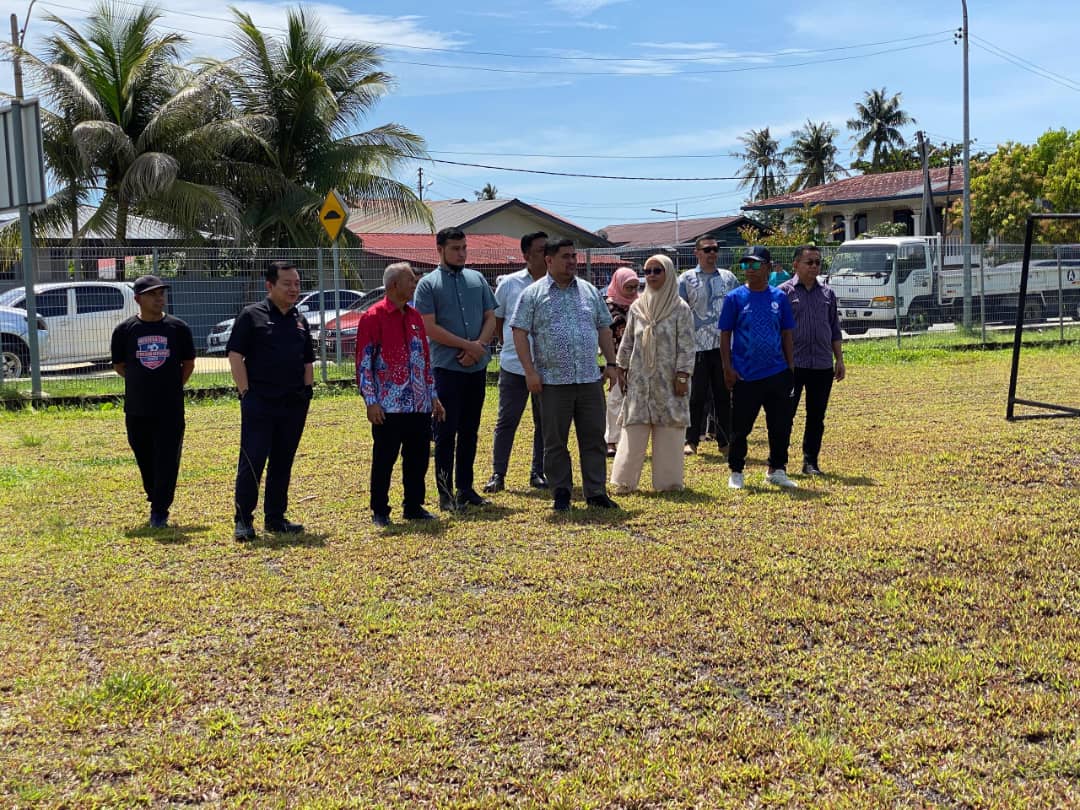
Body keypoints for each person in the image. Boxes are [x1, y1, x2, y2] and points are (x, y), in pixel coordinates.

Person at [509, 238, 621, 512]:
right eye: (566, 256)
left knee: (594, 438)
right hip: (552, 382)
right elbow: (519, 332)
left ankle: (596, 492)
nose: (572, 261)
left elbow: (604, 327)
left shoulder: (589, 291)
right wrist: (529, 372)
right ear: (549, 260)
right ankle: (561, 491)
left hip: (588, 379)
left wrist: (611, 363)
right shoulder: (533, 294)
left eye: (574, 256)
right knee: (555, 441)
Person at [228, 260, 315, 540]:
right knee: (253, 460)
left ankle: (276, 518)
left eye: (297, 284)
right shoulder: (251, 315)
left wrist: (307, 392)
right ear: (270, 285)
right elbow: (235, 355)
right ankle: (243, 520)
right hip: (260, 403)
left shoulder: (299, 319)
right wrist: (245, 393)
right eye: (287, 284)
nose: (294, 289)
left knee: (282, 461)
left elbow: (308, 360)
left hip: (293, 404)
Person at [414, 227, 497, 512]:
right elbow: (428, 326)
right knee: (445, 432)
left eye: (464, 248)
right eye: (455, 249)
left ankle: (465, 488)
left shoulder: (477, 279)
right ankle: (445, 492)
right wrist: (468, 346)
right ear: (440, 250)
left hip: (476, 368)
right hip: (446, 369)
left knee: (470, 431)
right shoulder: (427, 285)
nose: (461, 254)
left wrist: (478, 347)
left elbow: (490, 316)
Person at [357, 263, 446, 527]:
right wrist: (371, 401)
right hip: (389, 405)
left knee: (418, 458)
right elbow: (364, 363)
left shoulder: (415, 316)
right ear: (394, 284)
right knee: (385, 459)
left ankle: (414, 505)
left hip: (418, 404)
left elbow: (424, 361)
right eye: (410, 280)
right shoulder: (373, 317)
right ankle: (380, 509)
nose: (414, 284)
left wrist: (433, 396)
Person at [110, 275, 196, 528]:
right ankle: (155, 494)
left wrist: (171, 386)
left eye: (161, 294)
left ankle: (160, 509)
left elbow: (188, 363)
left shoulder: (178, 328)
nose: (159, 299)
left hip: (170, 408)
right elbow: (120, 365)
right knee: (144, 455)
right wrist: (142, 383)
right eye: (152, 295)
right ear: (138, 299)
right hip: (137, 408)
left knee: (167, 458)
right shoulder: (125, 330)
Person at [610, 255, 694, 493]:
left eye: (658, 271)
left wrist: (683, 375)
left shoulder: (680, 308)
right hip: (640, 381)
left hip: (670, 381)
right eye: (647, 272)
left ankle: (669, 484)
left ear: (669, 273)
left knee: (669, 430)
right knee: (633, 429)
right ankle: (623, 481)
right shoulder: (638, 307)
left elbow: (687, 345)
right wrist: (621, 368)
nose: (652, 275)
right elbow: (627, 342)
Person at [719, 246, 798, 490]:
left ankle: (777, 469)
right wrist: (727, 368)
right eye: (745, 265)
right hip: (745, 375)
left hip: (777, 372)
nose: (749, 270)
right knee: (741, 427)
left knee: (780, 425)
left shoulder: (779, 298)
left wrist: (790, 368)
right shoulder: (734, 298)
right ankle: (736, 471)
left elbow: (786, 333)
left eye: (754, 264)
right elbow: (725, 335)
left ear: (768, 267)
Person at [483, 231, 549, 494]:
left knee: (544, 422)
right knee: (507, 421)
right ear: (526, 255)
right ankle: (498, 474)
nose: (546, 255)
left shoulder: (556, 284)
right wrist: (511, 346)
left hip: (547, 367)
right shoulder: (509, 284)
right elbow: (498, 320)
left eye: (548, 250)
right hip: (513, 366)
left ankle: (538, 472)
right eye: (540, 250)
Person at [779, 245, 846, 475]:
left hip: (821, 364)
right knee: (785, 415)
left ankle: (810, 462)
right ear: (796, 264)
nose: (814, 266)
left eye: (818, 262)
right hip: (792, 366)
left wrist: (839, 359)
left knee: (816, 416)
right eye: (809, 262)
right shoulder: (783, 293)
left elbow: (834, 328)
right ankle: (779, 462)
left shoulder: (828, 294)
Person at [678, 236, 740, 456]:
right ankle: (691, 440)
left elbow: (738, 308)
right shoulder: (685, 279)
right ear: (697, 253)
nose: (712, 253)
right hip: (696, 347)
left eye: (715, 249)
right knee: (696, 396)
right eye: (707, 250)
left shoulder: (728, 278)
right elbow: (679, 312)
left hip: (723, 346)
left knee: (724, 395)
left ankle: (725, 441)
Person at [603, 266, 640, 457]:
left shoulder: (640, 304)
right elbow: (604, 334)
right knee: (615, 399)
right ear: (618, 285)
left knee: (636, 402)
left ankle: (630, 441)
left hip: (639, 360)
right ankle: (611, 440)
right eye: (628, 287)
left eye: (635, 287)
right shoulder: (607, 306)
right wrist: (611, 363)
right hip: (616, 360)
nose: (633, 291)